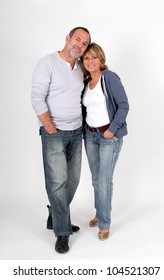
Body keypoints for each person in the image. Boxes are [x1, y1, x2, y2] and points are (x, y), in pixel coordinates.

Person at [31, 27, 91, 253]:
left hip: (76, 132)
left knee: (72, 180)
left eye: (84, 44)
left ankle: (54, 215)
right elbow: (37, 98)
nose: (80, 45)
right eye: (77, 39)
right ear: (67, 39)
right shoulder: (47, 63)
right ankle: (62, 232)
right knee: (57, 183)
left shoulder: (79, 69)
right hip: (54, 133)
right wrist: (50, 128)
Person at [81, 42, 129, 241]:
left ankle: (105, 223)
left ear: (101, 59)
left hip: (109, 137)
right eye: (86, 58)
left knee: (104, 180)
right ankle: (99, 213)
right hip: (90, 136)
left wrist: (112, 130)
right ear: (83, 62)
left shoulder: (109, 78)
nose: (90, 61)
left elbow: (124, 105)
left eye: (94, 57)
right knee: (95, 179)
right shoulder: (85, 82)